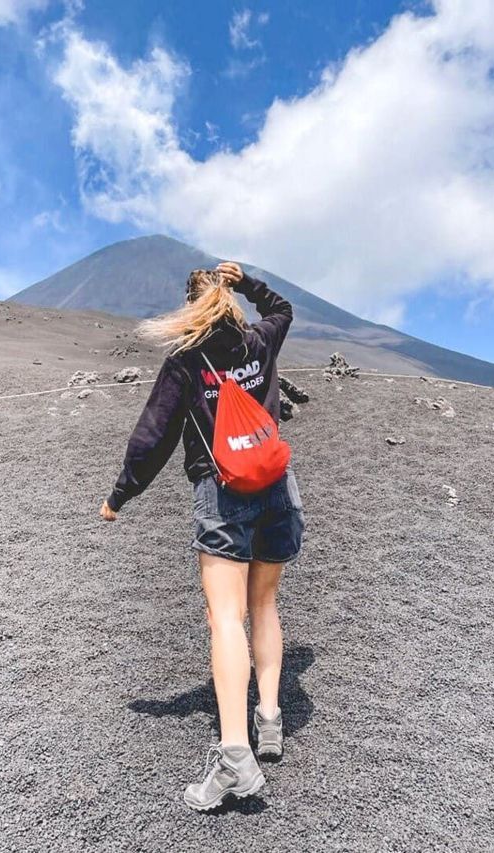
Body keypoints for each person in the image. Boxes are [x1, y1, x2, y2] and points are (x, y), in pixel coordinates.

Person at [99, 260, 306, 811]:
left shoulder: (186, 361)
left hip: (222, 492)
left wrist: (120, 494)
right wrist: (251, 284)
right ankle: (269, 719)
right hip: (277, 485)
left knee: (224, 618)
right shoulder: (260, 340)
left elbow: (152, 439)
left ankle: (237, 757)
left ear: (191, 306)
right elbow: (283, 310)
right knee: (264, 605)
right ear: (230, 297)